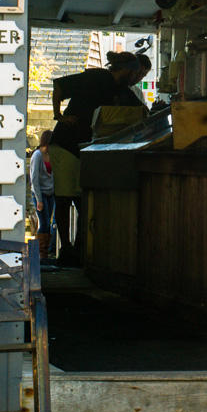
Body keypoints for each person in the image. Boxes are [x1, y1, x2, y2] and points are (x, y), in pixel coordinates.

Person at [49, 51, 151, 266]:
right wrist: (58, 115)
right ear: (126, 70)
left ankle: (78, 249)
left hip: (86, 149)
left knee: (82, 202)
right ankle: (66, 249)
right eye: (136, 74)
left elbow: (143, 113)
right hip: (66, 143)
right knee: (65, 198)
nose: (136, 79)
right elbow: (59, 87)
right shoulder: (95, 77)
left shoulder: (122, 89)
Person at [29, 130, 55, 265]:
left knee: (49, 223)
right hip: (40, 194)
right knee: (43, 223)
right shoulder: (37, 155)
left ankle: (46, 252)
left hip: (50, 194)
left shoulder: (51, 155)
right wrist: (39, 199)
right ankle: (41, 253)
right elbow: (34, 179)